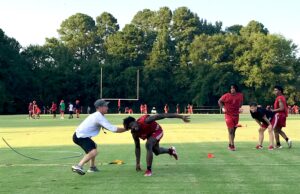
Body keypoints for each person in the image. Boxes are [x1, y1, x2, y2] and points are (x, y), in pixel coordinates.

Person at [72, 99, 129, 175]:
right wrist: (127, 129)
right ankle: (78, 166)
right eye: (106, 106)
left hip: (80, 135)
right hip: (80, 136)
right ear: (100, 107)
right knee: (93, 151)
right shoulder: (98, 116)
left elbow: (108, 127)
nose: (107, 108)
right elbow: (114, 129)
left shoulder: (98, 115)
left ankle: (92, 167)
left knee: (94, 146)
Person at [123, 113, 190, 177]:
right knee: (157, 151)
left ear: (135, 121)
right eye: (130, 127)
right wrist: (138, 163)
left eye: (132, 124)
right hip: (150, 134)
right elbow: (137, 147)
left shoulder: (146, 120)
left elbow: (163, 115)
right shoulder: (134, 133)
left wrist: (181, 116)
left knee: (148, 145)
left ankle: (149, 170)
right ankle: (171, 151)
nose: (132, 127)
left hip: (157, 131)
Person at [218, 84, 244, 151]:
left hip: (236, 115)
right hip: (228, 115)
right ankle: (232, 146)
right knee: (231, 130)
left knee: (233, 131)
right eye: (231, 88)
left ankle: (230, 144)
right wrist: (223, 107)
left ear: (236, 89)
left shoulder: (240, 95)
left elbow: (241, 102)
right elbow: (219, 101)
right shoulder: (226, 95)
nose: (232, 89)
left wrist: (240, 108)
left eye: (233, 88)